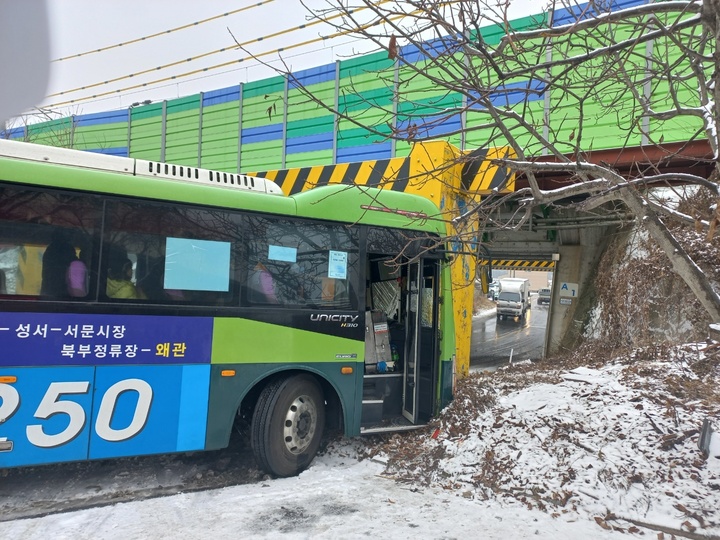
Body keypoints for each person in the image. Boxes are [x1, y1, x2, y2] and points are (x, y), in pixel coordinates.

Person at [41, 229, 77, 299]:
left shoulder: (50, 248)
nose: (72, 237)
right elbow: (74, 262)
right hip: (60, 288)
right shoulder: (65, 248)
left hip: (49, 288)